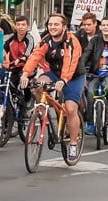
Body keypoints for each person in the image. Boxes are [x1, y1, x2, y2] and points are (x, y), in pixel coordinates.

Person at [21, 13, 85, 162]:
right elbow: (35, 56)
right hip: (55, 73)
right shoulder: (46, 40)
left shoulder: (71, 41)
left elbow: (70, 62)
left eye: (56, 24)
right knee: (37, 86)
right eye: (50, 24)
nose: (52, 27)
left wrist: (64, 79)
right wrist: (25, 74)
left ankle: (73, 144)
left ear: (64, 27)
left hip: (74, 76)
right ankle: (45, 111)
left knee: (70, 109)